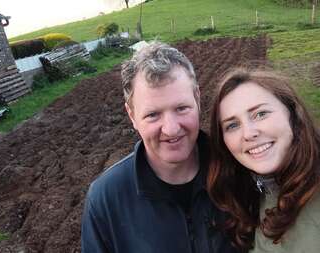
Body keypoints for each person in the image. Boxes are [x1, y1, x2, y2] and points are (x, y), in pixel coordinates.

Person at [81, 42, 237, 253]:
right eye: (153, 115)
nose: (172, 130)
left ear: (198, 99)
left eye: (181, 108)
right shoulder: (106, 200)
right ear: (132, 115)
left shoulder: (236, 171)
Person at [207, 67, 320, 253]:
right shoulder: (249, 196)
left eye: (260, 114)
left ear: (292, 113)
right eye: (233, 125)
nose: (249, 133)